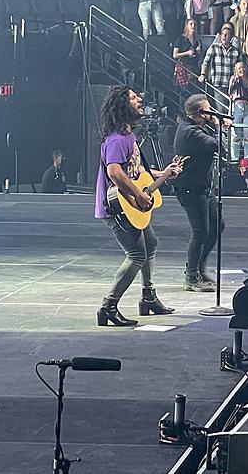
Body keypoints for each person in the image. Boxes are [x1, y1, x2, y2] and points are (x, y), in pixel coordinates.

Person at [94, 86, 182, 326]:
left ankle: (148, 297)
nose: (140, 100)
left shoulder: (130, 137)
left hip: (128, 205)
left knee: (150, 243)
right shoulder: (116, 140)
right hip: (118, 208)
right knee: (136, 254)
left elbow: (137, 172)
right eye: (134, 98)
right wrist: (138, 196)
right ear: (123, 106)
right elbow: (115, 172)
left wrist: (164, 174)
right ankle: (108, 307)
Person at [172, 94, 228, 292]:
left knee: (217, 225)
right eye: (208, 109)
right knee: (200, 231)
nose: (212, 112)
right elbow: (217, 147)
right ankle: (192, 276)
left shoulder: (195, 126)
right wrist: (220, 126)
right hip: (190, 188)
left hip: (202, 186)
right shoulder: (190, 132)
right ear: (200, 113)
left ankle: (199, 267)